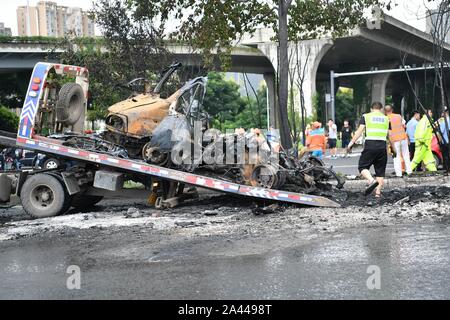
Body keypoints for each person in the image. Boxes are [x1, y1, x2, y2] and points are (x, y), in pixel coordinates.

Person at [347, 101, 392, 198]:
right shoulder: (386, 119)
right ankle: (377, 194)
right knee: (380, 171)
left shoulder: (366, 116)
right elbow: (390, 136)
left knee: (362, 167)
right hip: (382, 146)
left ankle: (372, 181)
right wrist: (394, 149)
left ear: (371, 109)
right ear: (381, 109)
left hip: (370, 145)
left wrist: (350, 144)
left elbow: (359, 131)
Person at [384, 105, 412, 177]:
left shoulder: (385, 119)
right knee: (406, 155)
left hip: (394, 140)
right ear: (392, 110)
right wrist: (408, 138)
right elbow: (404, 126)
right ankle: (409, 171)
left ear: (385, 111)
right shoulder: (399, 116)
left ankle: (399, 174)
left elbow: (387, 132)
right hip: (403, 138)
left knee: (396, 157)